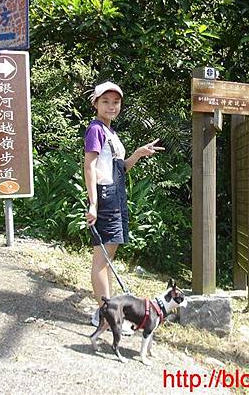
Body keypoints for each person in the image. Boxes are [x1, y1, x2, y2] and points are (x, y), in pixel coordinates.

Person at [84, 81, 164, 328]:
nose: (111, 106)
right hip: (106, 197)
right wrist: (94, 204)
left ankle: (107, 312)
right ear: (95, 104)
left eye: (116, 102)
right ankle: (106, 317)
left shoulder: (111, 133)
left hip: (117, 196)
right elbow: (89, 166)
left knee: (109, 258)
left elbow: (121, 168)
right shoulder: (95, 129)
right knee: (101, 260)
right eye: (105, 101)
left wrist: (138, 154)